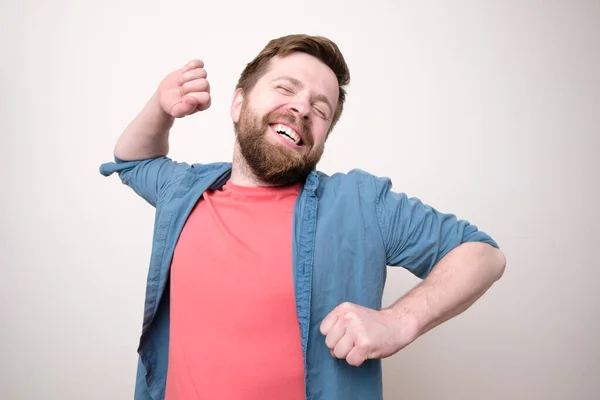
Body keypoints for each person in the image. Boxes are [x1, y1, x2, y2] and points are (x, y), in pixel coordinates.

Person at [100, 34, 506, 400]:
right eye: (285, 88)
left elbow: (482, 255)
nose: (301, 108)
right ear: (239, 103)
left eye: (321, 108)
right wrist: (160, 107)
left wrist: (400, 321)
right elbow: (133, 160)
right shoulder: (187, 190)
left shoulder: (361, 203)